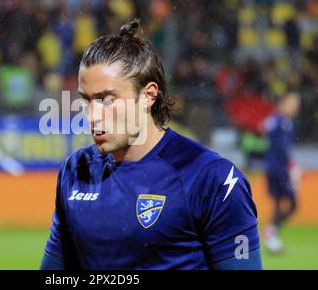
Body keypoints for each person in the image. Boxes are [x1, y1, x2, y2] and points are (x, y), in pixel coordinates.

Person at [40, 19, 262, 270]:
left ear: (148, 95)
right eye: (86, 101)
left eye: (106, 100)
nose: (92, 115)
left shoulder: (213, 178)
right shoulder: (75, 171)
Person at [263, 90, 301, 254]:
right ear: (283, 103)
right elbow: (282, 148)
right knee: (293, 203)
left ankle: (272, 237)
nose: (295, 108)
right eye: (293, 104)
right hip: (279, 170)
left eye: (297, 105)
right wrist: (292, 165)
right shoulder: (280, 122)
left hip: (273, 168)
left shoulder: (276, 121)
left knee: (278, 204)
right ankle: (271, 232)